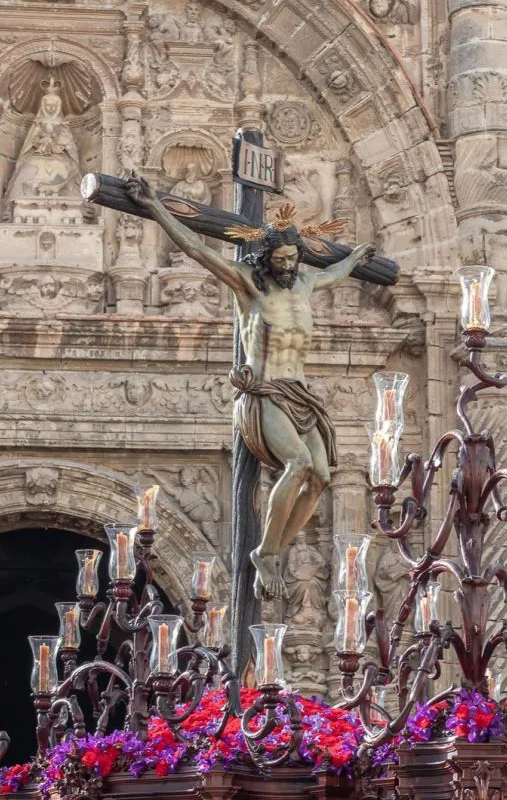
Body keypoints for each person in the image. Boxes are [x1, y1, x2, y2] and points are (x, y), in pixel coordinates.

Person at [126, 177, 375, 600]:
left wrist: (356, 259)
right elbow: (197, 249)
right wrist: (156, 208)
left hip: (300, 394)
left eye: (293, 258)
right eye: (279, 258)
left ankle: (270, 549)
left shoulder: (306, 285)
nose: (287, 265)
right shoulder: (250, 285)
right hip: (264, 391)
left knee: (320, 477)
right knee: (296, 464)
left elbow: (334, 271)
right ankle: (267, 554)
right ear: (266, 257)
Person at [4, 77, 80, 203]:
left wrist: (59, 142)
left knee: (64, 169)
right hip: (37, 155)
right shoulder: (38, 124)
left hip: (60, 157)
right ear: (43, 106)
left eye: (54, 106)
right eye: (48, 106)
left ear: (58, 106)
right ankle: (22, 199)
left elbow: (70, 146)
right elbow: (29, 144)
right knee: (27, 169)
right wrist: (40, 141)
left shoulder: (63, 125)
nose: (51, 109)